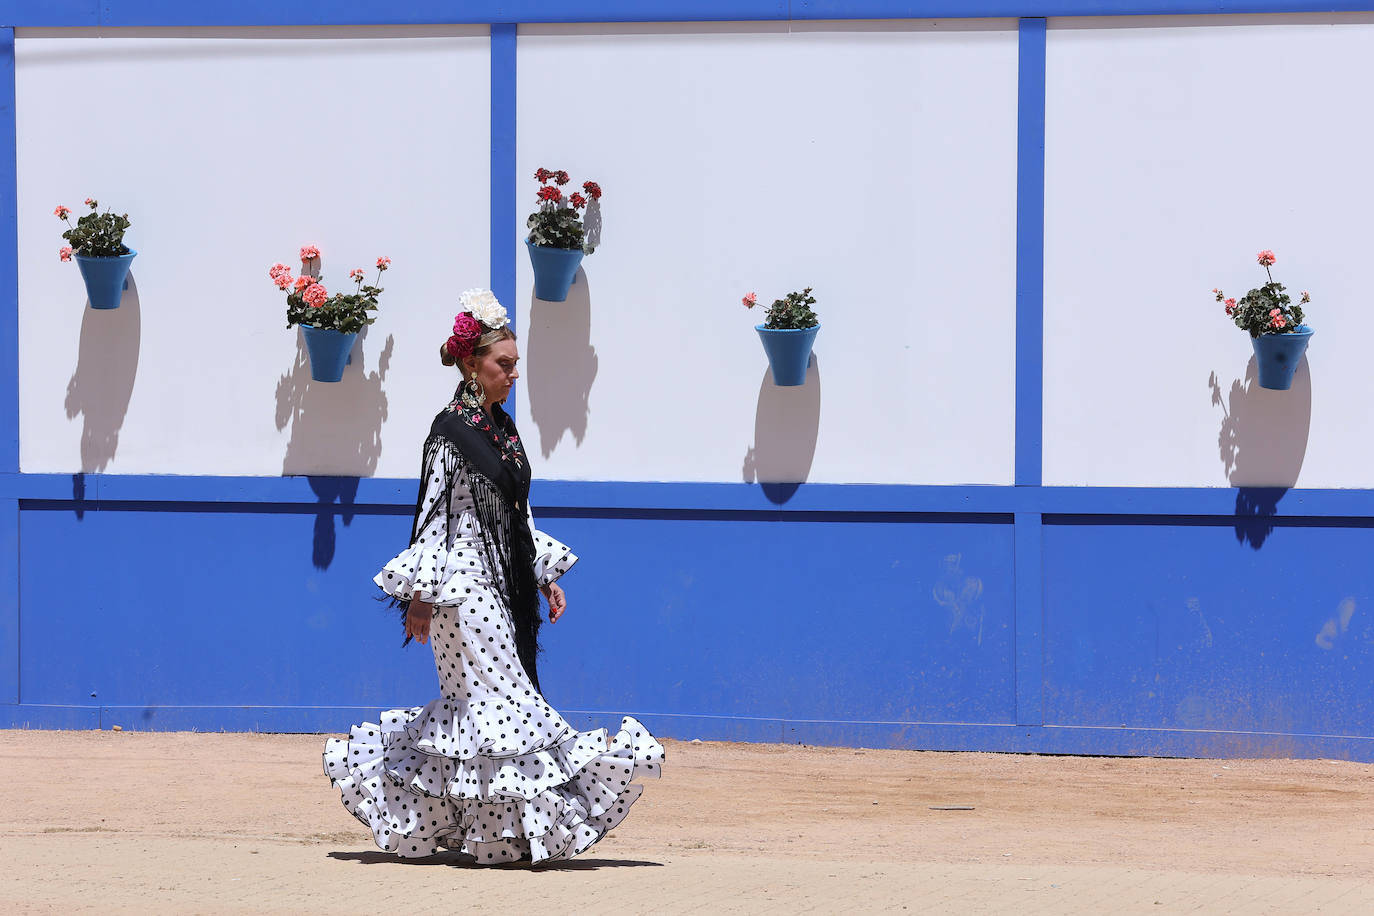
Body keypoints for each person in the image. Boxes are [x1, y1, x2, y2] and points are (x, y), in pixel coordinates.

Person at [323, 289, 663, 864]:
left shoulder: (502, 430)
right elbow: (435, 515)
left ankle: (497, 834)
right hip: (462, 590)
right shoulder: (450, 432)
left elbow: (518, 511)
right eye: (503, 364)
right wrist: (422, 597)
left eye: (514, 365)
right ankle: (494, 830)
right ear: (470, 364)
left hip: (501, 586)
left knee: (494, 709)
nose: (512, 375)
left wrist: (540, 575)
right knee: (499, 705)